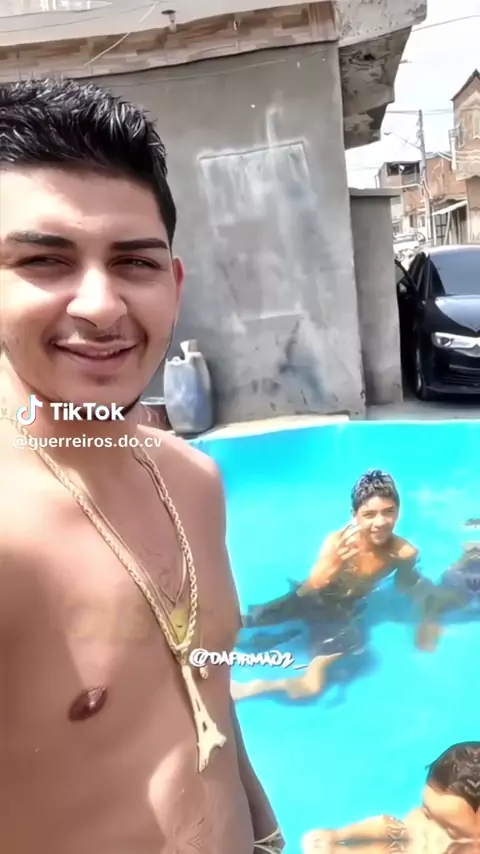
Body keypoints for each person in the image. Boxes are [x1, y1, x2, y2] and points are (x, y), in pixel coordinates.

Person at [0, 78, 283, 854]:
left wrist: (266, 832)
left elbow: (210, 700)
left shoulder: (194, 481)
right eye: (44, 261)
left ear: (174, 284)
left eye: (135, 263)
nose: (101, 306)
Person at [232, 471, 461, 702]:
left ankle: (251, 688)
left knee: (313, 685)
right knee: (242, 625)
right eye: (369, 514)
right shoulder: (338, 543)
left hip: (341, 614)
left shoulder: (404, 553)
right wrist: (328, 569)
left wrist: (428, 615)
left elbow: (406, 585)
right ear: (355, 516)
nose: (380, 522)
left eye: (388, 511)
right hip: (310, 597)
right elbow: (309, 589)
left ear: (398, 511)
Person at [301, 741, 480, 852]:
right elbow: (390, 828)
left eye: (451, 829)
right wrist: (338, 836)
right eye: (427, 812)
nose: (429, 833)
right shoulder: (421, 824)